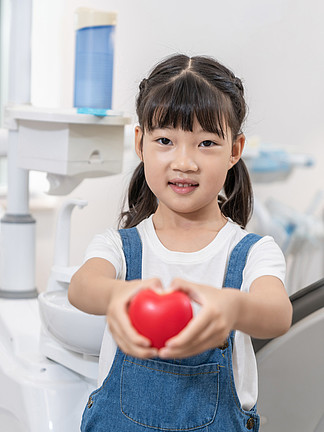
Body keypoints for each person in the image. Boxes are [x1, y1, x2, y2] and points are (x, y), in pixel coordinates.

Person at [69, 53, 293, 432]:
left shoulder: (253, 252)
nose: (185, 162)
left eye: (206, 143)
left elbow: (277, 313)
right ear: (140, 143)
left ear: (235, 150)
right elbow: (82, 287)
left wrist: (231, 306)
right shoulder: (119, 247)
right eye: (165, 140)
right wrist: (116, 296)